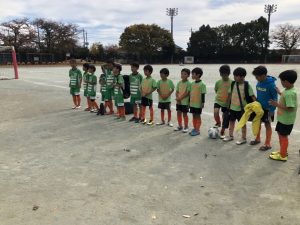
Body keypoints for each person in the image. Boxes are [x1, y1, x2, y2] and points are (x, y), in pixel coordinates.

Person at [269, 70, 298, 161]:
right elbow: (285, 97)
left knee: (283, 136)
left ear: (286, 81)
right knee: (280, 134)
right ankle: (283, 151)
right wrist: (279, 93)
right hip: (283, 119)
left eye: (281, 81)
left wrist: (277, 105)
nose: (281, 83)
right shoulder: (288, 90)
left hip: (286, 120)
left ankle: (282, 155)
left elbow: (290, 108)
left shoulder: (290, 93)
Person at [223, 67, 256, 144]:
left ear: (242, 77)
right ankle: (230, 136)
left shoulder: (247, 85)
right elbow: (229, 95)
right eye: (234, 76)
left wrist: (255, 106)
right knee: (231, 121)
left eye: (236, 76)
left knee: (242, 124)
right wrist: (227, 105)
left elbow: (252, 96)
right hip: (232, 107)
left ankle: (243, 138)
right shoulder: (233, 84)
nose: (235, 78)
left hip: (242, 109)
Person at [251, 66, 278, 151]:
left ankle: (267, 143)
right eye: (255, 77)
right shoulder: (259, 82)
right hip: (259, 108)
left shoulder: (271, 84)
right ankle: (258, 138)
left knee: (267, 125)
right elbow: (259, 95)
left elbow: (275, 98)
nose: (256, 78)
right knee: (257, 123)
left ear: (263, 75)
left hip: (268, 109)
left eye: (257, 76)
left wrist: (272, 110)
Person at [214, 65, 232, 138]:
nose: (224, 76)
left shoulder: (232, 82)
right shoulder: (218, 82)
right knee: (216, 112)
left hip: (227, 103)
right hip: (218, 100)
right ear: (220, 74)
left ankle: (223, 130)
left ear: (228, 74)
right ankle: (218, 122)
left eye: (225, 75)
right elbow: (216, 90)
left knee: (225, 117)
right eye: (222, 74)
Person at [189, 67, 206, 136]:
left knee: (198, 116)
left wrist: (202, 103)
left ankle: (197, 129)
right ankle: (194, 128)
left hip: (198, 104)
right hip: (192, 103)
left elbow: (203, 94)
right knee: (193, 116)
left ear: (198, 75)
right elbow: (190, 94)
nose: (192, 76)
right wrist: (189, 102)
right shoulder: (192, 84)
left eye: (193, 74)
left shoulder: (202, 84)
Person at [174, 68, 191, 132]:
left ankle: (186, 126)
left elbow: (187, 93)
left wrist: (180, 98)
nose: (183, 75)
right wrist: (178, 98)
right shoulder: (179, 83)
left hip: (185, 102)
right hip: (179, 102)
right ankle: (180, 126)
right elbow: (177, 91)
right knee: (178, 113)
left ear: (188, 75)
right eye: (182, 74)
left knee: (184, 114)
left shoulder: (189, 83)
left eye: (185, 74)